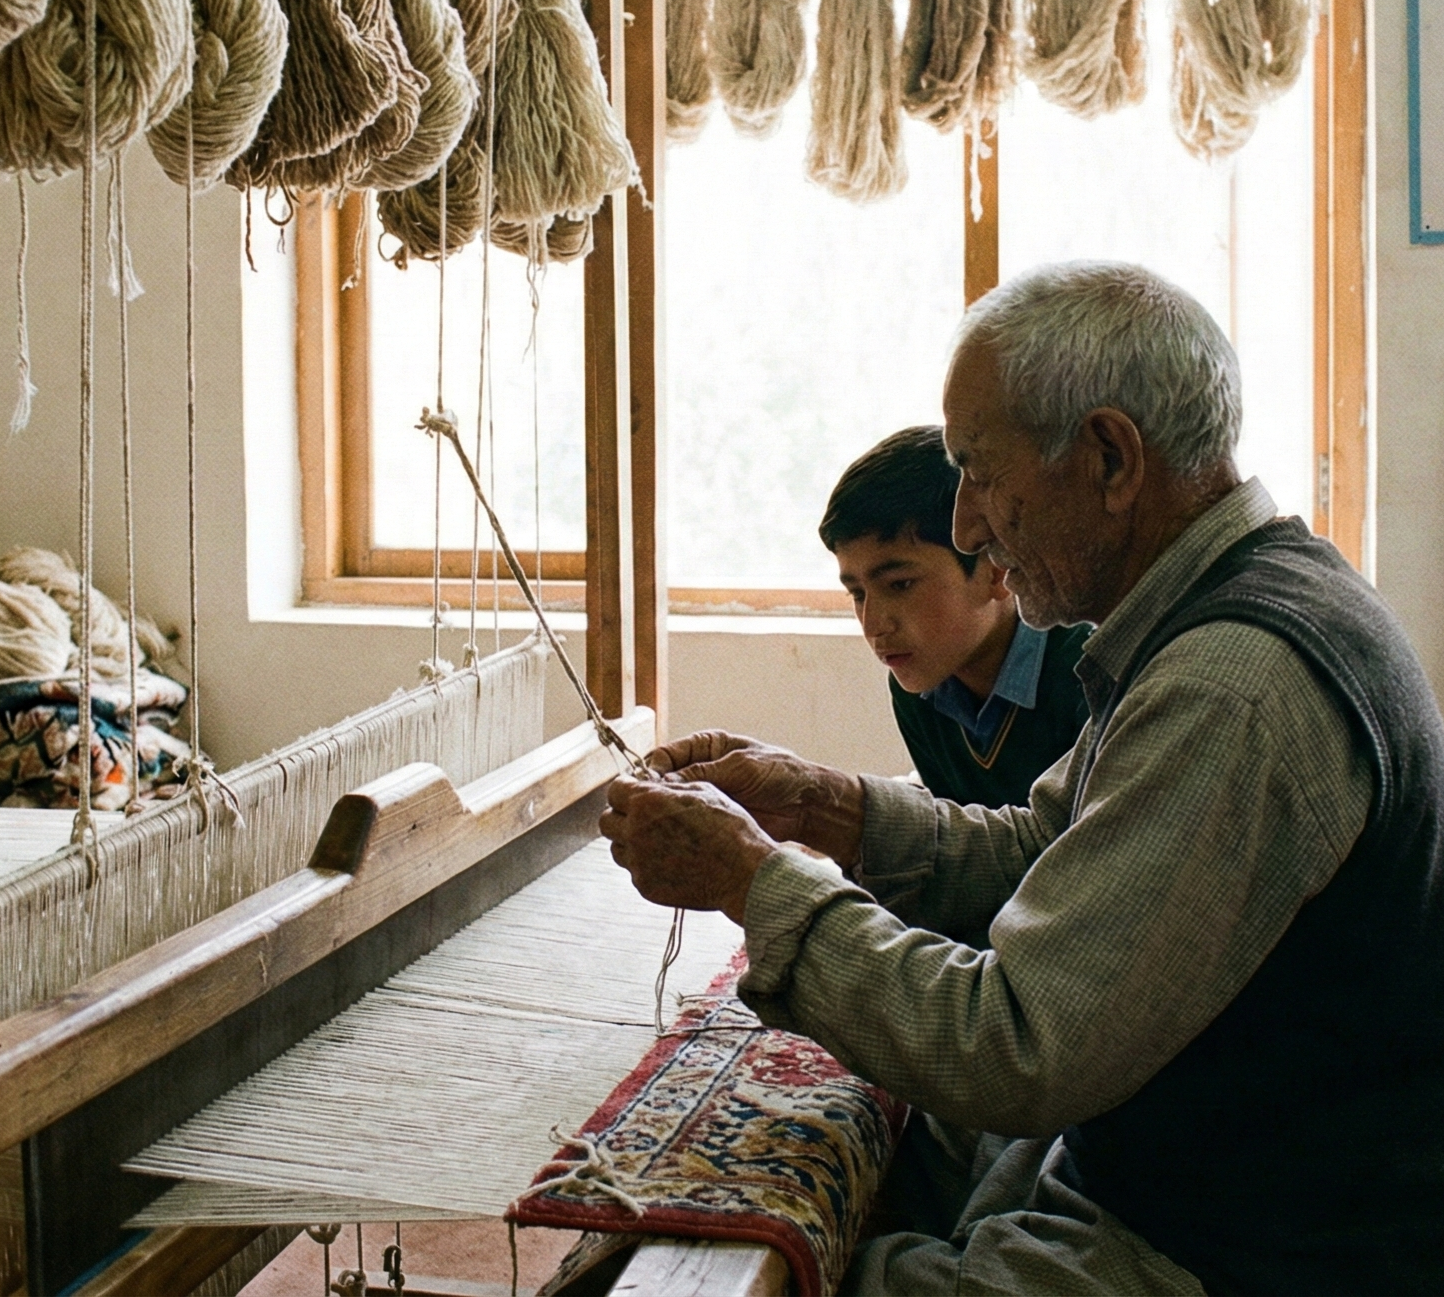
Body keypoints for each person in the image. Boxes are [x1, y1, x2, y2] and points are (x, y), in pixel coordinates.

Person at [600, 261, 1444, 1294]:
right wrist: (820, 806)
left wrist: (753, 881)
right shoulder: (1222, 609)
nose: (966, 526)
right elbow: (1038, 852)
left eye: (981, 473)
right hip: (1168, 1178)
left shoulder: (1234, 685)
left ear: (1107, 456)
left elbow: (1017, 1044)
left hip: (1231, 1249)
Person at [821, 425, 1089, 808]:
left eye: (900, 585)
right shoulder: (918, 688)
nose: (874, 624)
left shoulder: (1087, 671)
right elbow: (957, 845)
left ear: (997, 569)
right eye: (857, 593)